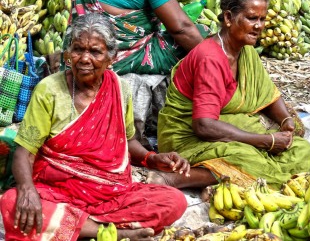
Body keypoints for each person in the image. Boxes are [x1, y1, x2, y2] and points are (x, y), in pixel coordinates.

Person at [0, 14, 191, 240]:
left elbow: (128, 142)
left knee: (174, 201)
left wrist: (152, 158)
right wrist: (27, 189)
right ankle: (111, 232)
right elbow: (24, 152)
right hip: (57, 190)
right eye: (78, 49)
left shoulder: (120, 89)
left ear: (111, 57)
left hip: (111, 195)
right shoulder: (49, 90)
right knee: (12, 203)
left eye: (95, 52)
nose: (84, 59)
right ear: (69, 54)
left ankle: (71, 227)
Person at [156, 0, 310, 189]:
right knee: (248, 159)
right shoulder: (210, 59)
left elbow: (267, 94)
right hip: (188, 136)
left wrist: (286, 120)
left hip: (227, 123)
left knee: (302, 150)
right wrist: (265, 141)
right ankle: (179, 178)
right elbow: (203, 126)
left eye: (262, 19)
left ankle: (250, 171)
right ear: (229, 18)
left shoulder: (245, 51)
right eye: (251, 18)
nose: (259, 26)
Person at [72, 0, 210, 146]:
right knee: (201, 33)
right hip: (123, 53)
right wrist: (216, 61)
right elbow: (181, 28)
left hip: (88, 45)